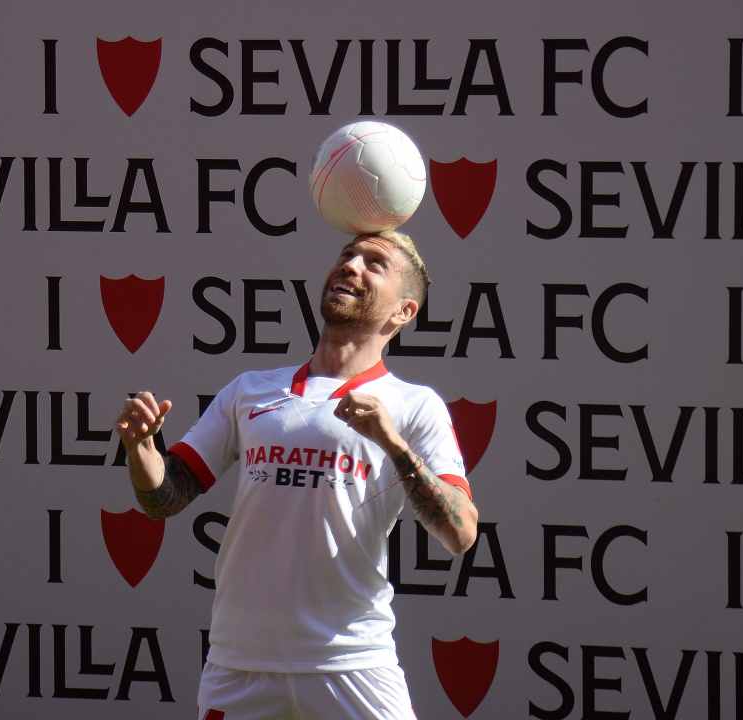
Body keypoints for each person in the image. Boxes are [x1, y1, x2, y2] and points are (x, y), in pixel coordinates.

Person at [114, 230, 480, 720]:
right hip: (241, 664)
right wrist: (141, 446)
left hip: (351, 661)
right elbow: (165, 497)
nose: (351, 266)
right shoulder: (250, 389)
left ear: (404, 312)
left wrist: (393, 444)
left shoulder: (415, 406)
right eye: (347, 255)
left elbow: (460, 532)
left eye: (375, 264)